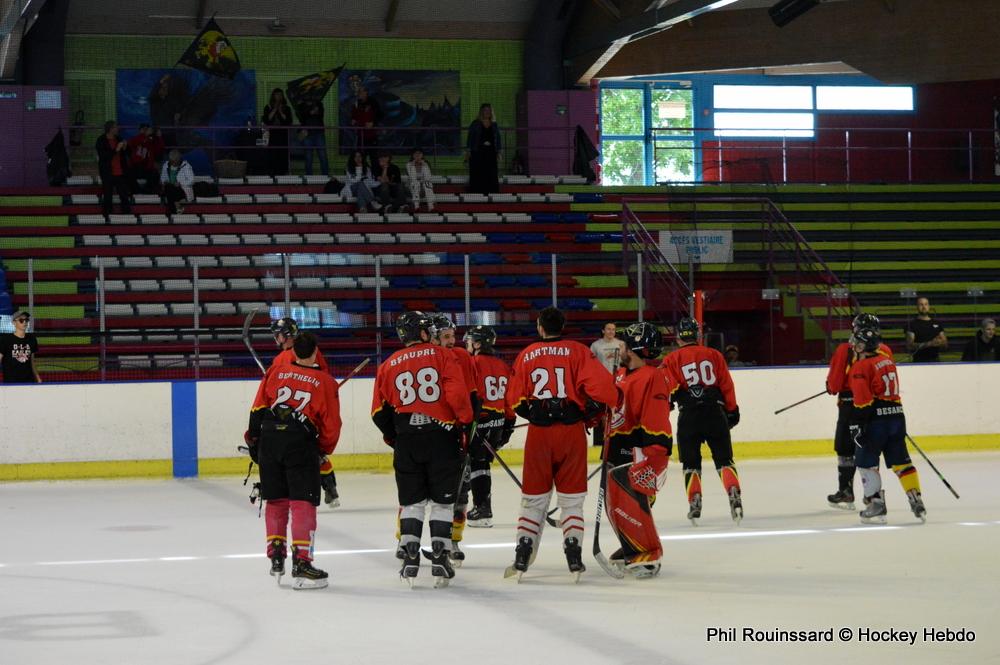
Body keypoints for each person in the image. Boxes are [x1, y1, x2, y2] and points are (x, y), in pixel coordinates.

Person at [504, 306, 619, 580]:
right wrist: (591, 411)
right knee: (571, 502)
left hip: (539, 435)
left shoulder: (526, 354)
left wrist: (534, 413)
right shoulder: (578, 351)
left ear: (540, 327)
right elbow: (604, 391)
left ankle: (523, 551)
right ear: (562, 326)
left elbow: (514, 399)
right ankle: (573, 552)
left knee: (533, 501)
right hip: (571, 434)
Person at [371, 311, 473, 587]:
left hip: (407, 441)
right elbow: (457, 395)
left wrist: (398, 436)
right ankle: (440, 556)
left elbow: (379, 412)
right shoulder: (443, 356)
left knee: (412, 503)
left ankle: (410, 556)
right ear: (425, 333)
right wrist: (463, 424)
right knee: (442, 502)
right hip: (442, 437)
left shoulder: (389, 364)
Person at [245, 332, 342, 589]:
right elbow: (332, 427)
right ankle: (302, 563)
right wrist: (321, 449)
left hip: (269, 441)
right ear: (315, 352)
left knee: (276, 500)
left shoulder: (275, 372)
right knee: (302, 503)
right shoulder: (325, 382)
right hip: (300, 444)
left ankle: (276, 556)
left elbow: (257, 410)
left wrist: (255, 443)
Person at [605, 322, 673, 579]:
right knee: (614, 502)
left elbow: (656, 419)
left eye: (623, 344)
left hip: (637, 450)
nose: (619, 348)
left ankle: (648, 554)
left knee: (631, 501)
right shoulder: (621, 374)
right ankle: (631, 545)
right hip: (617, 446)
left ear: (635, 347)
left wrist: (655, 453)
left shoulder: (652, 376)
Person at [660, 317, 742, 525]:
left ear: (679, 337)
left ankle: (694, 498)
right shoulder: (714, 355)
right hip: (714, 411)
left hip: (688, 415)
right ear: (697, 336)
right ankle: (733, 491)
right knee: (724, 460)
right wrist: (732, 410)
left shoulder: (671, 359)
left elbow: (665, 388)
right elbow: (726, 385)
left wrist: (666, 406)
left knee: (691, 463)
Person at [849, 327, 926, 524]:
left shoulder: (860, 367)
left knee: (866, 463)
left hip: (876, 421)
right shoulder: (887, 359)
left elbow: (863, 401)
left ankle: (876, 505)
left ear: (864, 345)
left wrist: (858, 424)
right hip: (897, 416)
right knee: (902, 462)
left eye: (857, 341)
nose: (853, 344)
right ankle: (915, 497)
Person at [824, 313, 893, 510]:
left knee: (845, 449)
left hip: (849, 407)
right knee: (869, 449)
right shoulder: (886, 350)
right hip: (875, 407)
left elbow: (835, 384)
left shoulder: (845, 350)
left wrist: (830, 386)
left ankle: (846, 492)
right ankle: (873, 496)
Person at [269, 317, 338, 508]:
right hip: (309, 411)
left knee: (297, 454)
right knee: (314, 451)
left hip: (292, 414)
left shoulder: (281, 359)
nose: (276, 338)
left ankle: (301, 495)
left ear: (286, 336)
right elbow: (323, 376)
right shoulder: (312, 351)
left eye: (278, 335)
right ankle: (329, 487)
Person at [429, 314, 479, 565]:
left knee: (460, 493)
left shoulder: (461, 356)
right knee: (417, 495)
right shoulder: (425, 358)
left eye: (453, 336)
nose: (451, 341)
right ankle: (405, 540)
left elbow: (471, 396)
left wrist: (470, 430)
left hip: (455, 435)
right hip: (431, 436)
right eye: (446, 337)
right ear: (433, 337)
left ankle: (454, 541)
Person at [462, 325, 515, 528]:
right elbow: (509, 399)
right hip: (499, 421)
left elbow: (469, 394)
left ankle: (479, 508)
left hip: (479, 420)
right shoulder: (502, 365)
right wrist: (508, 424)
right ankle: (482, 507)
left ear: (476, 344)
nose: (466, 345)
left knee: (474, 463)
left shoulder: (472, 362)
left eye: (468, 341)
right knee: (481, 464)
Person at [590, 322, 626, 447]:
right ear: (603, 331)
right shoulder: (595, 346)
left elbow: (626, 363)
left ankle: (615, 439)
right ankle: (601, 442)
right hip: (601, 385)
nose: (611, 331)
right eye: (609, 329)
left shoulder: (621, 344)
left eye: (613, 329)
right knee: (601, 413)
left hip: (618, 384)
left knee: (617, 413)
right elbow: (591, 366)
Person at [95, 120, 132, 217]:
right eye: (116, 127)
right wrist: (116, 149)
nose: (117, 129)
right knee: (108, 196)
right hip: (107, 173)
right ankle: (107, 216)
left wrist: (125, 147)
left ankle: (127, 216)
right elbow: (104, 157)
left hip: (120, 172)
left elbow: (128, 153)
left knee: (124, 196)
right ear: (110, 129)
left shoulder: (119, 139)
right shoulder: (101, 140)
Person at [465, 103, 502, 195]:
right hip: (477, 152)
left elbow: (498, 138)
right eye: (485, 110)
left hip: (491, 153)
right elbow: (470, 138)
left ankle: (492, 193)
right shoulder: (475, 124)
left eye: (489, 110)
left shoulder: (494, 125)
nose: (487, 112)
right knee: (478, 172)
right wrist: (468, 151)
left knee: (491, 173)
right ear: (481, 112)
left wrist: (499, 152)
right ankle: (476, 193)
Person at [0, 310, 42, 384]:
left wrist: (38, 378)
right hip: (11, 383)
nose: (25, 322)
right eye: (21, 320)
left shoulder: (32, 339)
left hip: (29, 382)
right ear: (14, 323)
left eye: (26, 320)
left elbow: (32, 362)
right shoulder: (5, 340)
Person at [904, 297, 947, 362]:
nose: (924, 307)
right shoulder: (912, 325)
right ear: (917, 307)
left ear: (929, 306)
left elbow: (945, 345)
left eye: (926, 304)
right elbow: (909, 346)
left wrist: (940, 343)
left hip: (936, 362)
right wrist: (929, 344)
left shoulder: (937, 323)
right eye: (921, 304)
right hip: (919, 362)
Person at [126, 124, 165, 194]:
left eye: (147, 129)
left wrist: (159, 137)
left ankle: (147, 191)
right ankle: (136, 191)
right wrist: (145, 135)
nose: (145, 131)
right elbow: (135, 142)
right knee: (128, 174)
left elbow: (159, 149)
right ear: (140, 130)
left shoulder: (151, 141)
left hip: (147, 167)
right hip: (136, 166)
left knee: (155, 174)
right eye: (144, 129)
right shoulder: (135, 139)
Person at [262, 88, 293, 176]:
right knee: (272, 154)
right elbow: (267, 120)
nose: (279, 96)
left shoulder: (287, 108)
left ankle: (282, 174)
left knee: (282, 155)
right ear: (273, 96)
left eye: (280, 95)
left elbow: (288, 121)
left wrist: (280, 111)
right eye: (277, 94)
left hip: (283, 135)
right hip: (272, 135)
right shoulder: (268, 107)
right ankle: (272, 174)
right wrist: (275, 109)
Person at [296, 99, 329, 176]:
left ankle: (325, 176)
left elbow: (320, 114)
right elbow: (301, 118)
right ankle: (309, 177)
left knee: (323, 156)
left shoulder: (318, 103)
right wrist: (311, 112)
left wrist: (310, 112)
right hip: (307, 134)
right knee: (308, 157)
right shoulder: (301, 105)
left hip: (319, 133)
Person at [160, 149, 195, 215]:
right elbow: (163, 177)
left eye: (174, 161)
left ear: (178, 160)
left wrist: (180, 183)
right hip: (169, 188)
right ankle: (176, 207)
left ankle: (173, 211)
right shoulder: (166, 165)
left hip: (181, 189)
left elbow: (191, 180)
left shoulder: (186, 166)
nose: (173, 163)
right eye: (172, 161)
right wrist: (164, 181)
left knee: (169, 189)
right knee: (168, 187)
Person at [350, 86, 381, 156]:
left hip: (371, 135)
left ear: (366, 93)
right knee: (361, 156)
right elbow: (354, 115)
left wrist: (373, 123)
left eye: (361, 92)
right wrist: (353, 119)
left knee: (373, 157)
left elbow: (380, 115)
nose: (359, 93)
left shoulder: (373, 102)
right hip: (360, 134)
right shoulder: (357, 103)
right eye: (359, 92)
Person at [406, 148, 435, 212]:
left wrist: (424, 165)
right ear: (412, 155)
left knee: (428, 184)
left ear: (422, 155)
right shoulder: (409, 164)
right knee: (416, 183)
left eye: (419, 153)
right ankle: (416, 207)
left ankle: (431, 207)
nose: (417, 155)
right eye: (416, 153)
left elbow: (428, 178)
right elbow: (412, 178)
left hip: (424, 188)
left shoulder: (426, 164)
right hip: (412, 188)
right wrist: (413, 165)